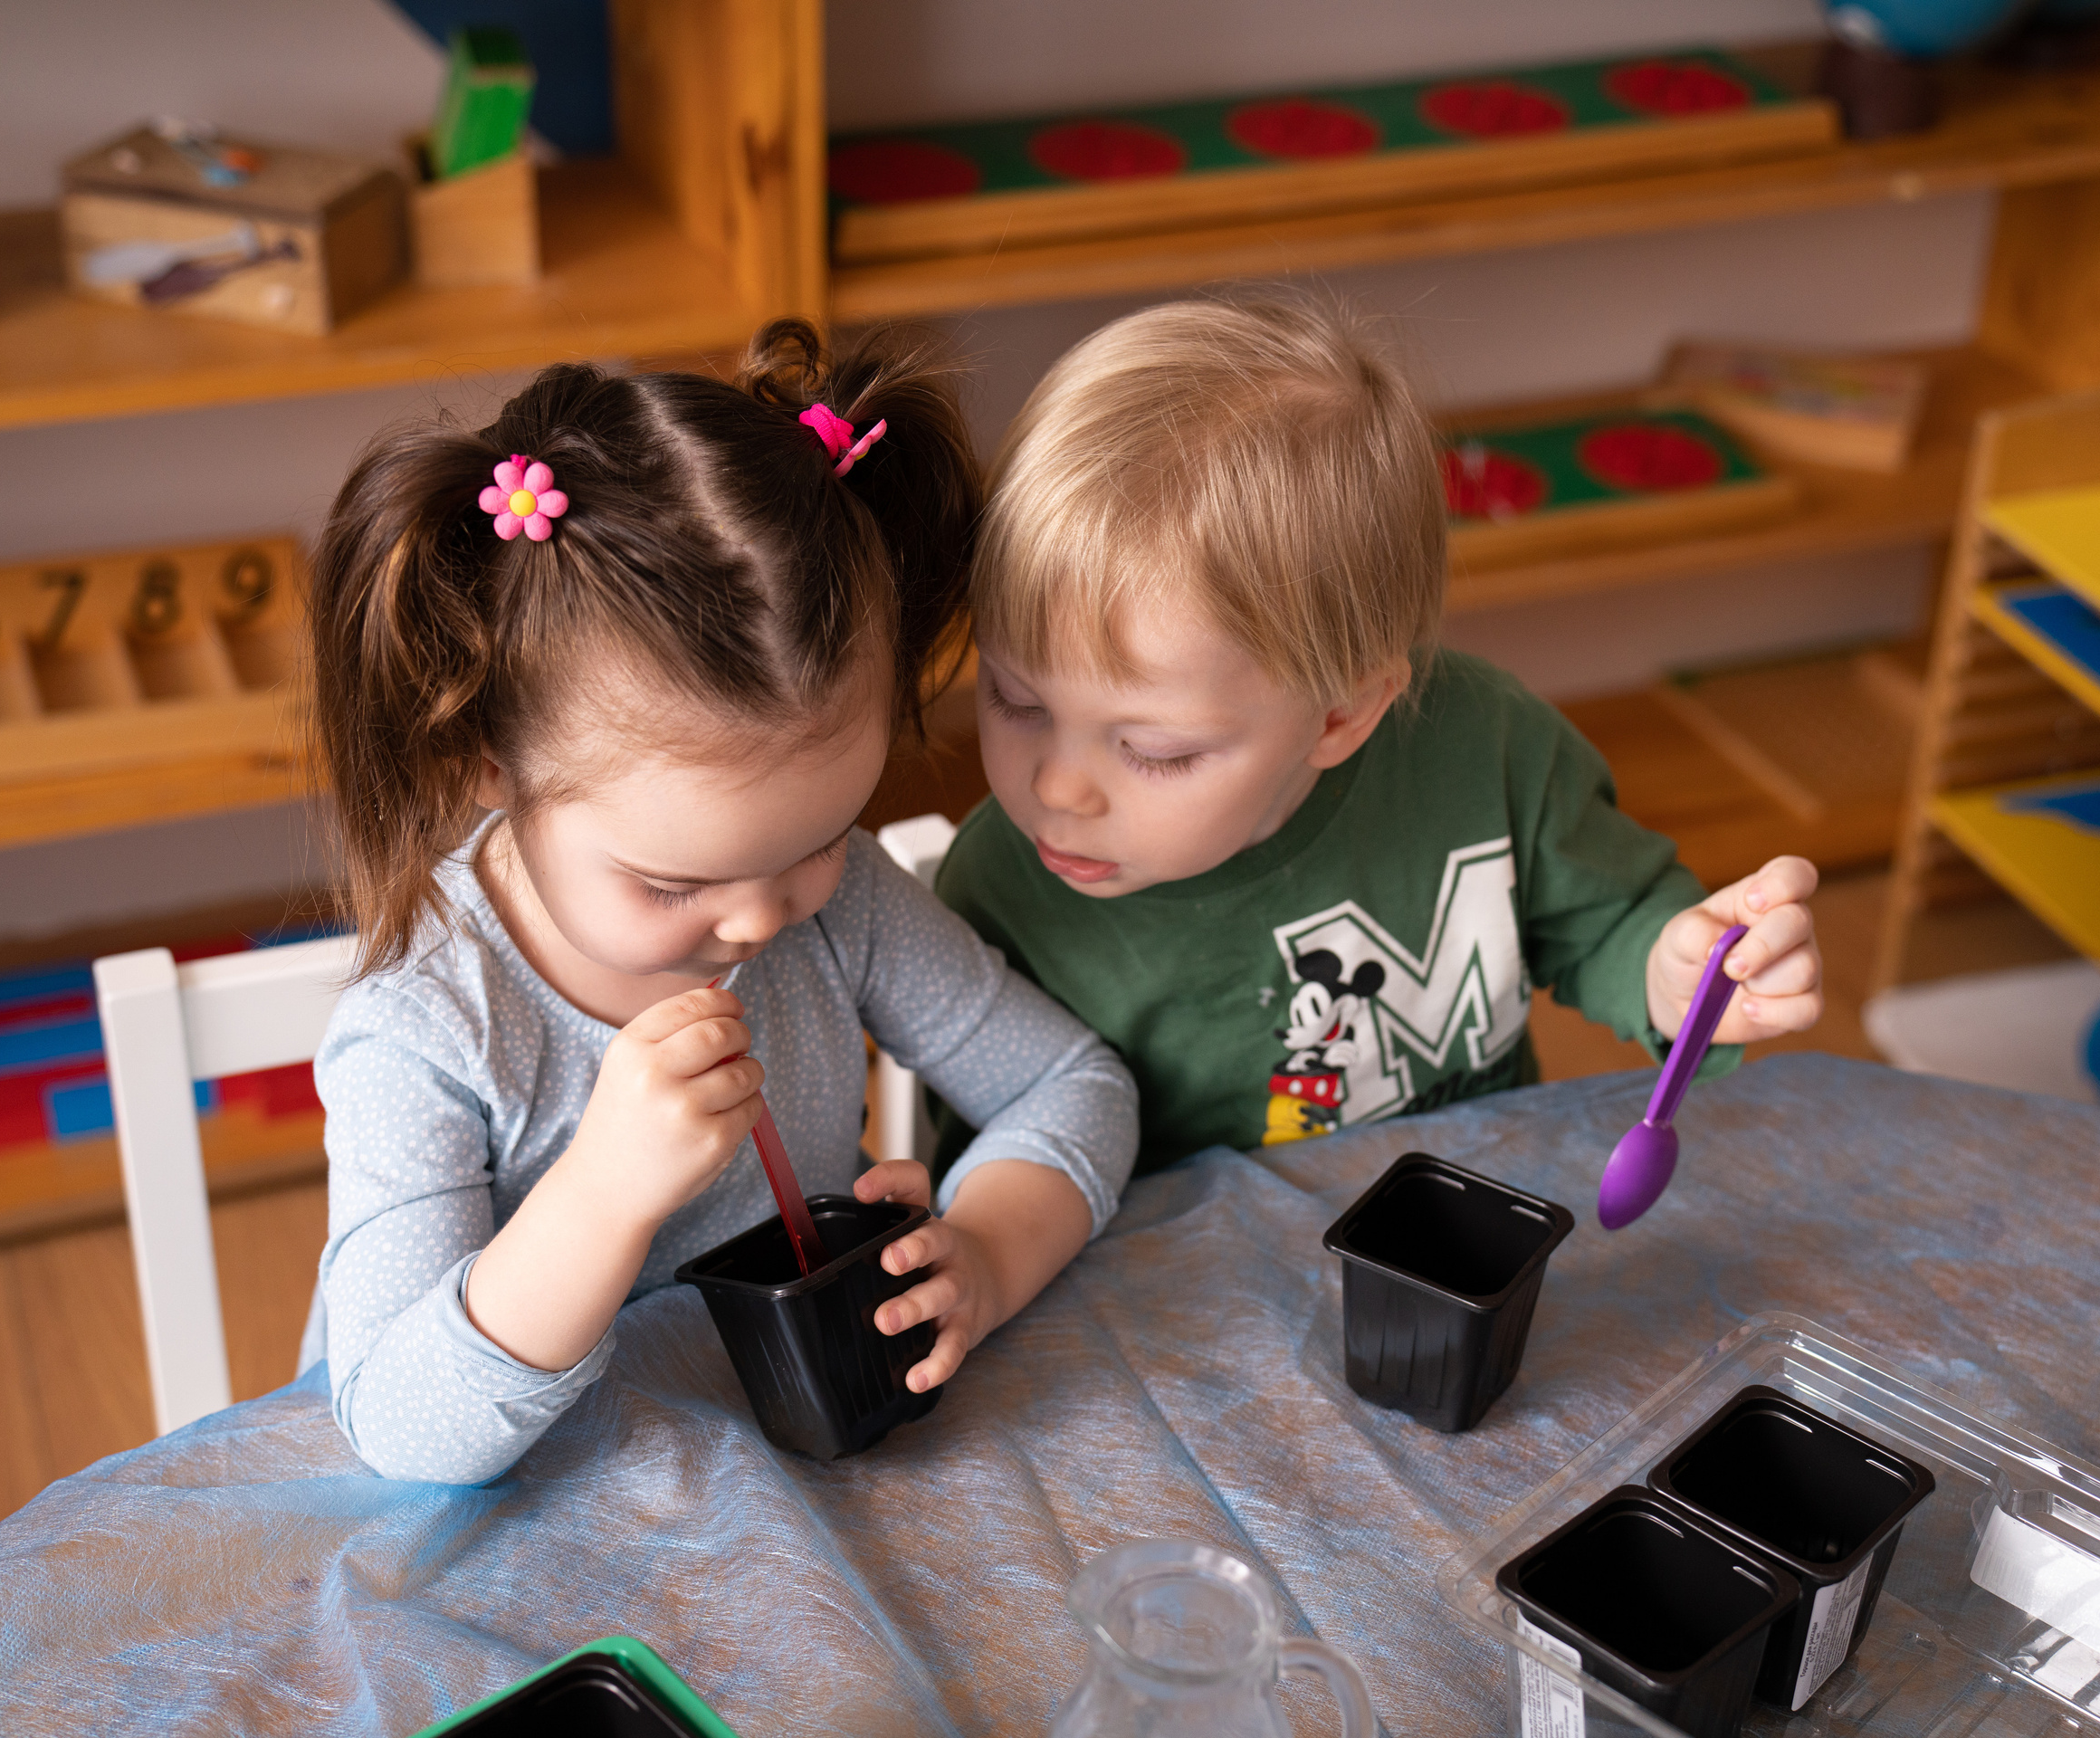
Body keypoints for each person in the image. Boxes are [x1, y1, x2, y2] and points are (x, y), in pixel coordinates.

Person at [303, 322, 1138, 1484]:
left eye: (815, 843)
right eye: (671, 884)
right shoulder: (433, 1031)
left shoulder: (837, 912)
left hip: (783, 1478)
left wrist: (989, 1251)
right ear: (491, 767)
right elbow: (399, 1429)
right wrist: (600, 1195)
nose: (758, 923)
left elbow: (1073, 1086)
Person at [934, 295, 1822, 1174]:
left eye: (1153, 750)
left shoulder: (1492, 750)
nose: (1056, 788)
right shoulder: (997, 895)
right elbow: (999, 1166)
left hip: (1462, 1222)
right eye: (1015, 700)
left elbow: (1610, 922)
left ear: (1341, 716)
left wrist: (1674, 979)